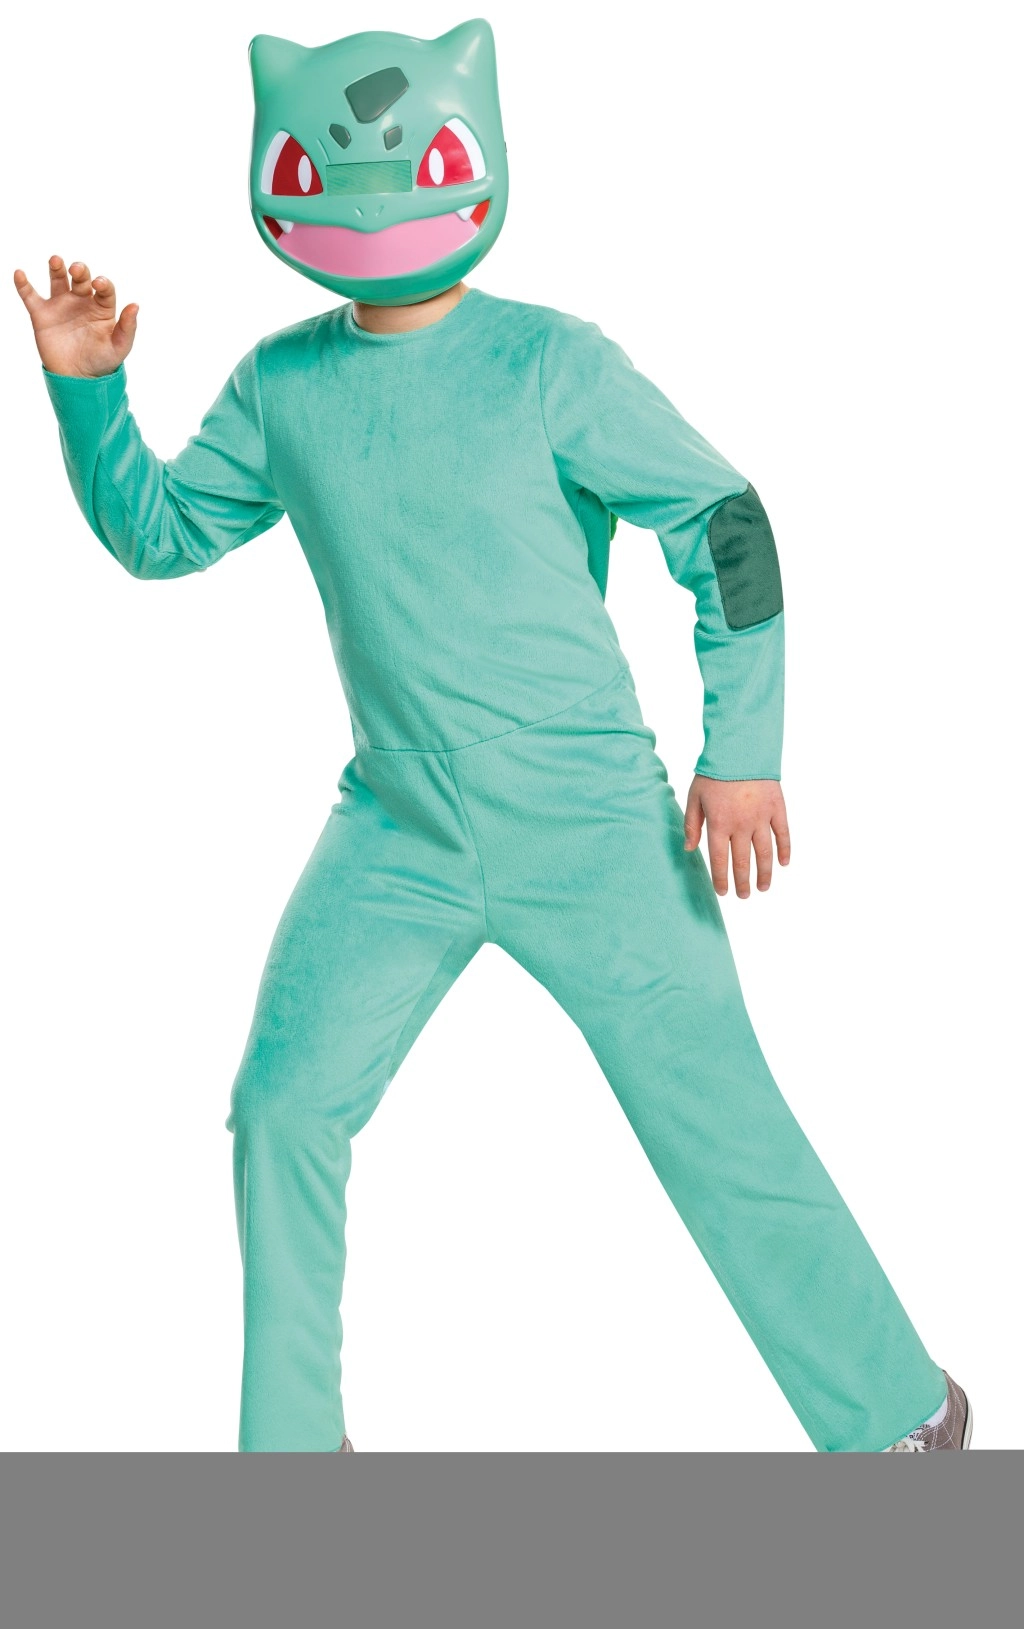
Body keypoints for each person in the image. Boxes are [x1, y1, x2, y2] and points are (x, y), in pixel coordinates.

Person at [13, 19, 971, 1454]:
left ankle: (903, 1418)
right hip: (393, 827)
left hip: (588, 818)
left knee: (715, 1119)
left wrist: (745, 749)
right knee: (281, 1110)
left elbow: (722, 520)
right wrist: (88, 389)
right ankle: (287, 1462)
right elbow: (160, 536)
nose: (371, 185)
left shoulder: (549, 362)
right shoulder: (282, 385)